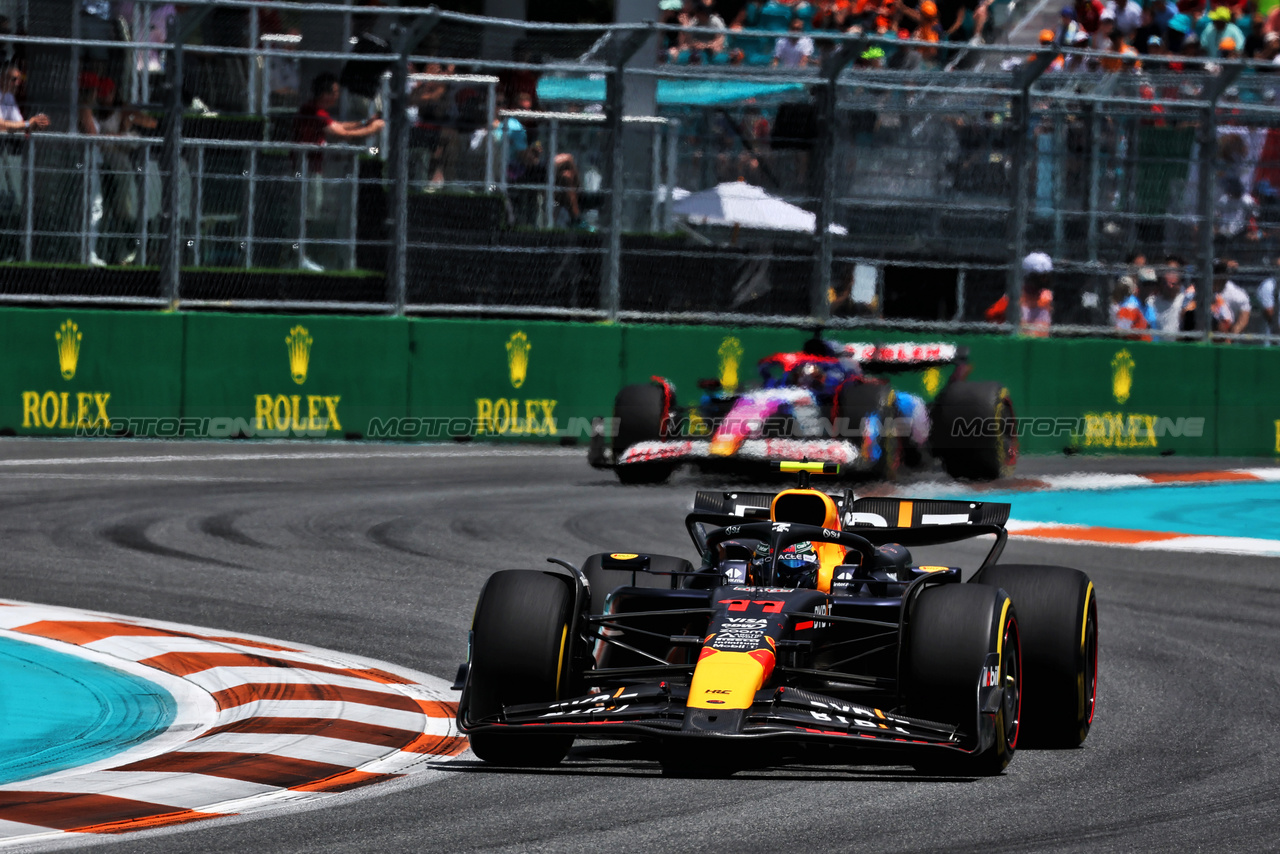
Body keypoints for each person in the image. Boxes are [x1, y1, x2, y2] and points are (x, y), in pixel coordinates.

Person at [294, 73, 385, 271]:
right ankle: (298, 256)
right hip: (306, 170)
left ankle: (299, 255)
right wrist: (372, 129)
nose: (336, 96)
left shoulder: (318, 112)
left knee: (309, 213)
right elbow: (341, 134)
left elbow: (338, 125)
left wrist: (365, 122)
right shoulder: (312, 111)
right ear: (324, 94)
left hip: (313, 169)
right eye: (334, 92)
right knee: (306, 215)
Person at [985, 251, 1054, 335]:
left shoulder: (1047, 296)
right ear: (1028, 276)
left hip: (1041, 344)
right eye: (1040, 277)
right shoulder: (1016, 296)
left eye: (1046, 276)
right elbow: (991, 315)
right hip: (1021, 345)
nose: (1044, 280)